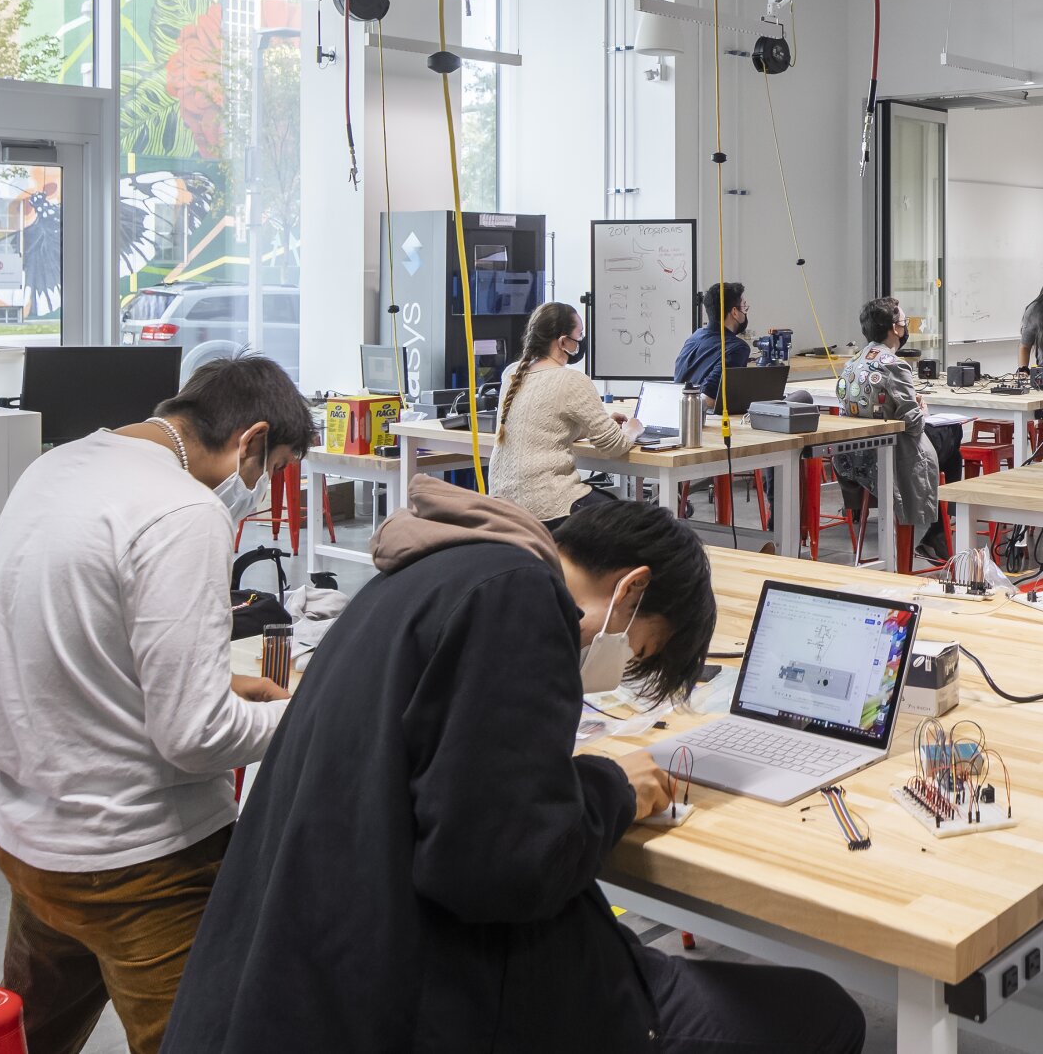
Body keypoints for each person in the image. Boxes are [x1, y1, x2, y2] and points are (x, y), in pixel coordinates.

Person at [163, 482, 867, 1054]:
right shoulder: (521, 601)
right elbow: (498, 867)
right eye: (642, 652)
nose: (623, 666)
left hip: (305, 971)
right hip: (425, 994)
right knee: (825, 1014)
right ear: (630, 588)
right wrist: (611, 787)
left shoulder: (442, 570)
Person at [0, 355, 312, 1054]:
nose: (258, 491)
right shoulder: (183, 510)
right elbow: (195, 736)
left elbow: (80, 654)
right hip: (143, 864)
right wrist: (306, 715)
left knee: (29, 1040)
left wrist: (217, 683)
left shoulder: (56, 469)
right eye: (272, 468)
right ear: (250, 440)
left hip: (33, 842)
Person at [491, 301, 641, 528]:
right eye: (579, 335)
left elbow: (545, 426)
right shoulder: (571, 380)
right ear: (563, 342)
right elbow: (614, 446)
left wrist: (592, 427)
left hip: (503, 505)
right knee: (631, 520)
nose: (581, 341)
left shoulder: (512, 373)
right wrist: (632, 430)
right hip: (547, 506)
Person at [835, 296, 947, 560]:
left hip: (854, 460)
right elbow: (915, 425)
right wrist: (921, 408)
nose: (905, 327)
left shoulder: (852, 363)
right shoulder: (896, 365)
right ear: (895, 328)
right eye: (904, 322)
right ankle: (935, 535)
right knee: (950, 440)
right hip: (890, 456)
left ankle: (935, 535)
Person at [674, 281, 751, 399]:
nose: (745, 312)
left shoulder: (694, 337)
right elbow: (709, 396)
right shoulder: (738, 348)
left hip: (679, 410)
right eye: (744, 307)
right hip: (704, 415)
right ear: (735, 312)